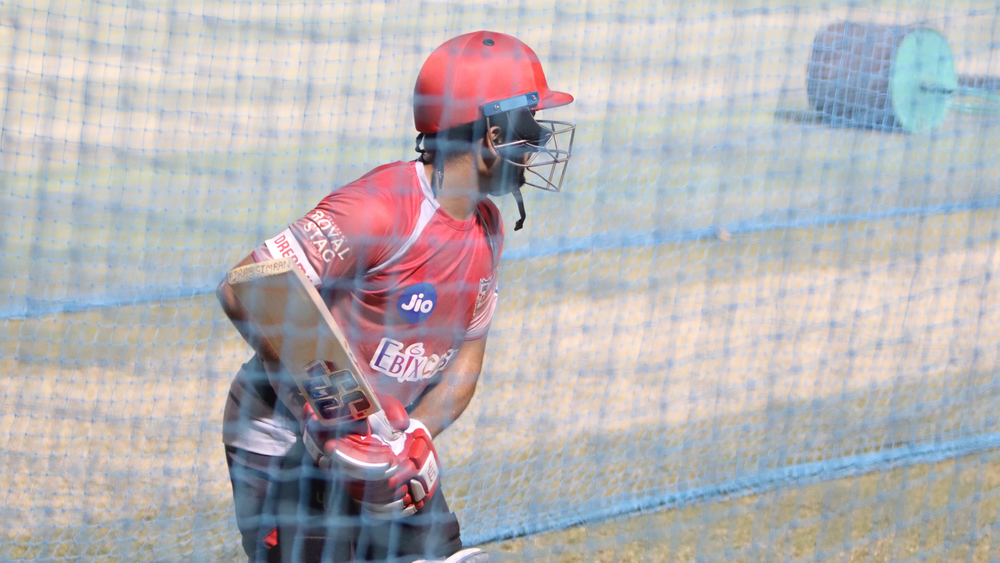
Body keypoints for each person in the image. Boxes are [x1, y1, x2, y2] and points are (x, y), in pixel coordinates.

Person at [216, 30, 575, 562]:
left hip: (383, 447)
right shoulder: (380, 210)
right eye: (532, 126)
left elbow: (466, 358)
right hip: (284, 441)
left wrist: (420, 433)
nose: (541, 142)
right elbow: (247, 287)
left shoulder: (487, 228)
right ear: (494, 136)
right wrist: (335, 412)